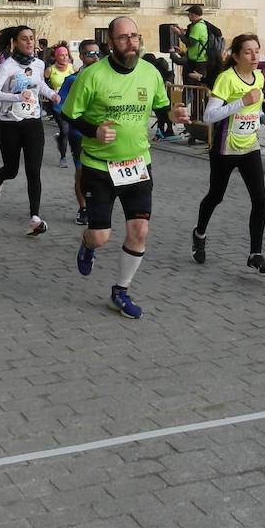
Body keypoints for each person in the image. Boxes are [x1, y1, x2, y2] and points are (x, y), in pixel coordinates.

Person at [60, 16, 191, 319]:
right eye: (123, 37)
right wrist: (93, 132)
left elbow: (161, 107)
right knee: (101, 236)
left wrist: (174, 113)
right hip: (99, 167)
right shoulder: (92, 75)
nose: (131, 42)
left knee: (140, 230)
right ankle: (87, 244)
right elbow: (69, 115)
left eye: (135, 36)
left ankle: (120, 291)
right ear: (110, 42)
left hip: (137, 164)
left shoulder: (150, 72)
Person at [191, 34, 265, 276]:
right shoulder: (226, 79)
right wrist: (241, 101)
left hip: (250, 147)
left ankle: (255, 255)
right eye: (248, 52)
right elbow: (209, 116)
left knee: (260, 199)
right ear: (236, 56)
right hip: (225, 149)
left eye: (257, 51)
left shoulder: (259, 77)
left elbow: (255, 107)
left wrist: (264, 118)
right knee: (216, 196)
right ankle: (199, 232)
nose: (255, 57)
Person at [0, 26, 59, 236]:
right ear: (15, 43)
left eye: (31, 39)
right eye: (24, 39)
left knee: (33, 171)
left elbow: (40, 85)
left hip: (33, 123)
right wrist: (17, 97)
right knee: (11, 169)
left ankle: (34, 217)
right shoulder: (7, 66)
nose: (29, 42)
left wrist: (52, 94)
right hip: (10, 124)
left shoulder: (39, 64)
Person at [57, 39, 100, 225]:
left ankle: (99, 205)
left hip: (104, 135)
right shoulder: (72, 80)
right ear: (81, 56)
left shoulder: (107, 78)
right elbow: (61, 109)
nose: (95, 57)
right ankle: (83, 208)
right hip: (80, 134)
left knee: (100, 174)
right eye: (90, 54)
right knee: (81, 172)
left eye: (98, 53)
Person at [45, 44, 76, 167]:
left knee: (70, 132)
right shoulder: (50, 70)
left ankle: (62, 140)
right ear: (56, 57)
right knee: (64, 130)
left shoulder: (72, 68)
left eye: (66, 55)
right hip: (58, 105)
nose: (64, 57)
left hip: (72, 104)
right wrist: (50, 93)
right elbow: (42, 84)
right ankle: (63, 157)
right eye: (62, 55)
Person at [174, 5, 210, 89]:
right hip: (196, 60)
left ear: (193, 15)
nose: (188, 17)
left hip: (198, 62)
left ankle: (199, 102)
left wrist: (179, 34)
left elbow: (190, 43)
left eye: (189, 14)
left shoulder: (197, 27)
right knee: (193, 87)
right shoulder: (199, 25)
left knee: (196, 87)